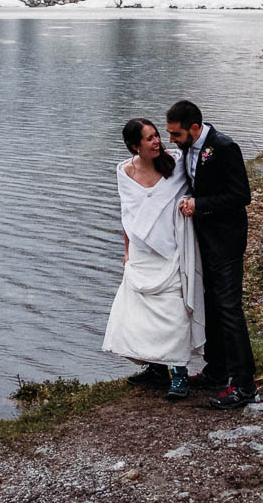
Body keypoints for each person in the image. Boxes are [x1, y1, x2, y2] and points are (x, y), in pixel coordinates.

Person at [102, 118, 205, 400]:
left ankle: (179, 375)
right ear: (135, 146)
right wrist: (126, 251)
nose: (157, 141)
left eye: (157, 135)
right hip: (141, 252)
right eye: (149, 139)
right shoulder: (124, 172)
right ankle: (156, 368)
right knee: (142, 313)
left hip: (171, 251)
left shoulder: (176, 163)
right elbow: (128, 215)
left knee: (174, 312)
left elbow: (198, 188)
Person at [165, 100, 257, 410]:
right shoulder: (187, 149)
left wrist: (200, 205)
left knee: (230, 309)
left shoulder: (224, 146)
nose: (171, 141)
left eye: (175, 134)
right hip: (203, 240)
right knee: (213, 306)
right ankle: (217, 371)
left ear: (194, 128)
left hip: (227, 241)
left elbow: (240, 195)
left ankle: (245, 386)